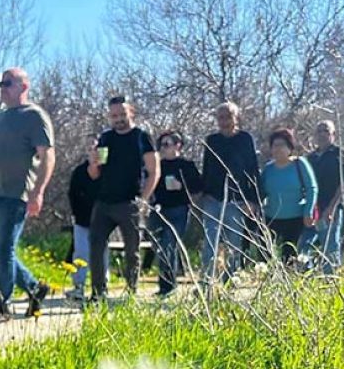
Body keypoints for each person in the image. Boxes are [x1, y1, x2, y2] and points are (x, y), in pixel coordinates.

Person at [0, 67, 55, 325]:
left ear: (24, 86)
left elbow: (47, 156)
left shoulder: (34, 116)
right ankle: (34, 287)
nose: (3, 88)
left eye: (8, 83)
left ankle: (3, 305)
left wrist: (38, 191)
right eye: (1, 84)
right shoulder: (1, 117)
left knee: (4, 248)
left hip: (15, 194)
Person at [88, 95, 159, 300]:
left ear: (131, 112)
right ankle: (98, 293)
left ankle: (131, 292)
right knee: (96, 245)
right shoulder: (106, 138)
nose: (118, 119)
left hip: (129, 202)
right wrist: (93, 163)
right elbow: (95, 173)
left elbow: (154, 171)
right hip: (104, 201)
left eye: (122, 114)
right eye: (114, 115)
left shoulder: (141, 137)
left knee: (132, 250)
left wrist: (144, 199)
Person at [199, 102, 260, 285]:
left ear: (236, 117)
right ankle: (207, 282)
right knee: (210, 242)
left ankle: (230, 281)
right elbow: (206, 168)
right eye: (221, 117)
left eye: (228, 117)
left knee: (234, 243)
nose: (224, 121)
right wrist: (203, 195)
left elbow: (253, 170)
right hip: (213, 199)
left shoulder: (245, 139)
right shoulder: (212, 140)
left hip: (237, 199)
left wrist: (253, 200)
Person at [149, 131, 202, 295]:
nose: (164, 148)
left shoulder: (186, 165)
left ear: (178, 145)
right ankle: (166, 283)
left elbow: (198, 187)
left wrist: (182, 186)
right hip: (160, 210)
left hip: (179, 210)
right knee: (160, 246)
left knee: (169, 245)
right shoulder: (159, 165)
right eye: (162, 145)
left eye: (167, 144)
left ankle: (168, 285)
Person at [259, 128, 319, 264]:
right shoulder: (268, 169)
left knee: (289, 257)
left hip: (295, 219)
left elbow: (311, 188)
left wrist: (308, 211)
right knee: (264, 255)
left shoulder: (300, 164)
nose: (278, 149)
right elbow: (260, 191)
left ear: (290, 147)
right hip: (271, 218)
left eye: (282, 145)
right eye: (275, 145)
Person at [298, 120, 344, 273]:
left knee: (330, 248)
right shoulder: (310, 158)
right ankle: (307, 279)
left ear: (333, 134)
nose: (322, 134)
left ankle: (331, 284)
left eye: (326, 131)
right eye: (319, 131)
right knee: (303, 246)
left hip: (330, 210)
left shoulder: (339, 155)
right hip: (312, 210)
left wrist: (331, 209)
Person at [65, 135, 109, 301]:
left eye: (97, 150)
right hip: (82, 220)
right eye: (91, 150)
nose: (94, 153)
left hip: (103, 221)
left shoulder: (108, 172)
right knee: (81, 253)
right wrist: (77, 214)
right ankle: (78, 286)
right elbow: (72, 195)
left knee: (101, 253)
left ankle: (102, 286)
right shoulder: (79, 172)